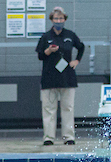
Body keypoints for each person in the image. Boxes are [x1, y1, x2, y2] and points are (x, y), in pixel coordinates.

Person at [35, 7, 84, 146]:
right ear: (51, 20)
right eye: (56, 19)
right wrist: (49, 50)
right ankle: (48, 137)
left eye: (61, 19)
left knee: (68, 108)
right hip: (49, 78)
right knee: (49, 109)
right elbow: (40, 56)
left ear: (65, 20)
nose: (58, 21)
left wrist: (77, 60)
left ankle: (68, 137)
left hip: (67, 78)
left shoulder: (70, 35)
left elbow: (81, 47)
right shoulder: (46, 37)